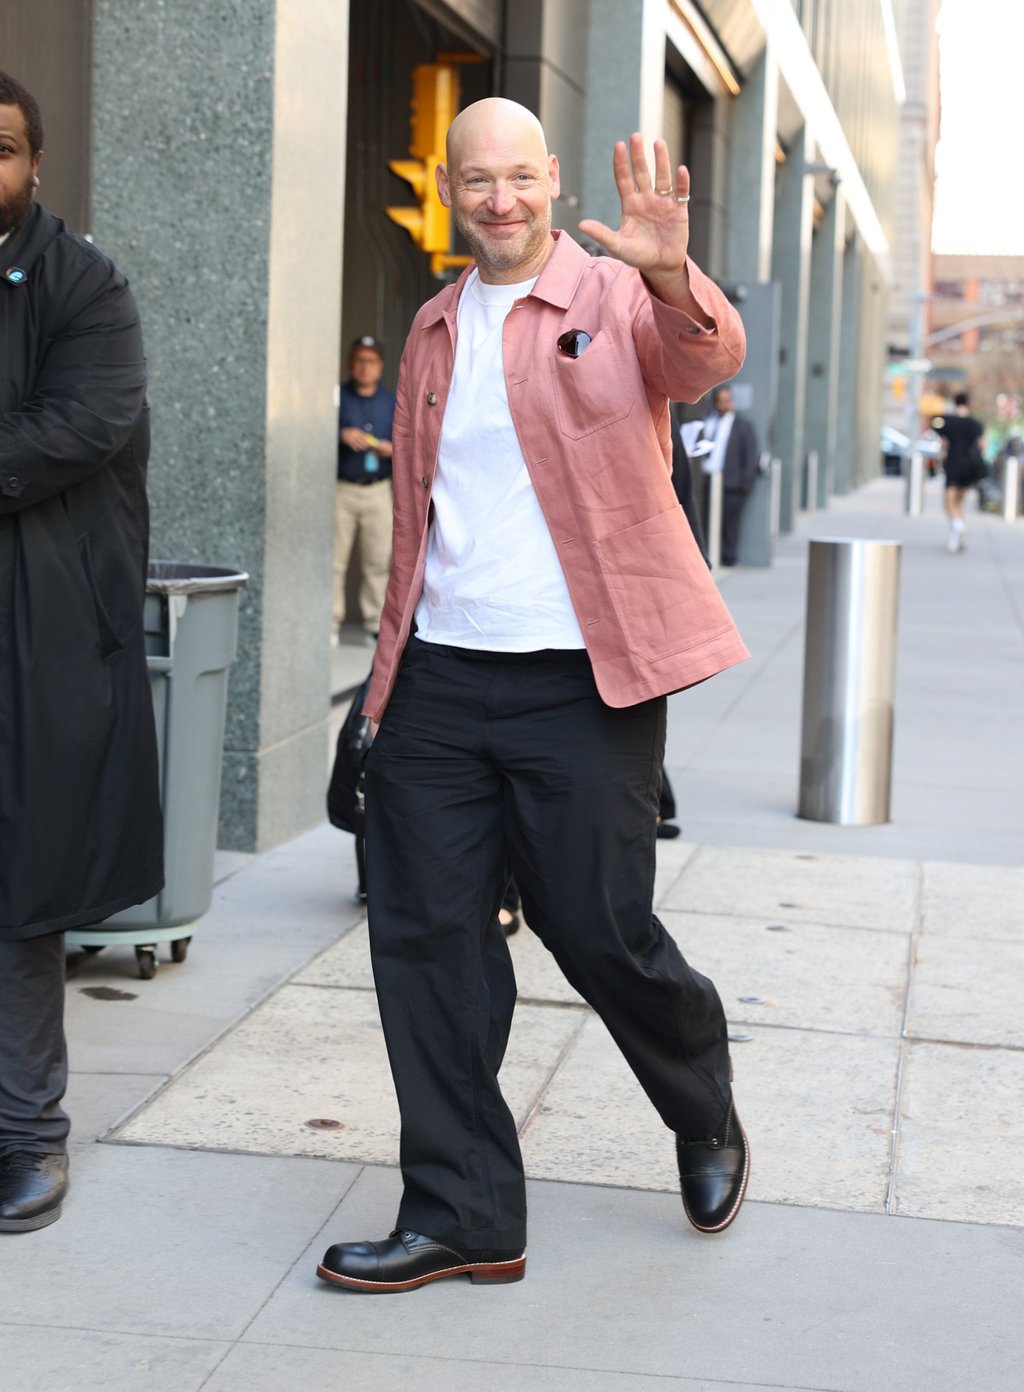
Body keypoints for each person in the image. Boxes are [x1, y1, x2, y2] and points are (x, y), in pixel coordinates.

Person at [317, 99, 750, 1294]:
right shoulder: (433, 326)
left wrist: (672, 275)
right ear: (447, 190)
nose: (499, 198)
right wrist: (385, 690)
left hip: (582, 682)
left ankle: (698, 1095)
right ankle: (464, 1212)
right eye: (476, 180)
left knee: (595, 926)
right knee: (428, 941)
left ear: (552, 179)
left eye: (520, 176)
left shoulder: (615, 295)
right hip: (444, 678)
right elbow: (420, 526)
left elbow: (703, 360)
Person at [0, 72, 162, 1232]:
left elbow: (76, 428)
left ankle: (28, 1135)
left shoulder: (83, 286)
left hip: (35, 639)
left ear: (35, 165)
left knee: (19, 892)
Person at [332, 335, 396, 642]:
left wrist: (391, 449)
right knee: (333, 561)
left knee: (378, 561)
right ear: (350, 363)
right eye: (359, 360)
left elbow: (410, 444)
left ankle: (374, 625)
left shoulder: (392, 401)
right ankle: (330, 624)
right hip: (342, 488)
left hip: (378, 489)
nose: (364, 367)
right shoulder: (336, 396)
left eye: (370, 361)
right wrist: (341, 433)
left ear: (380, 366)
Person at [700, 385, 759, 565]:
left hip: (731, 483)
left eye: (727, 400)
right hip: (706, 480)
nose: (724, 404)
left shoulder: (743, 426)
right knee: (705, 520)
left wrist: (747, 479)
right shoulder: (707, 422)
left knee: (729, 523)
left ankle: (728, 557)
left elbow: (750, 454)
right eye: (720, 401)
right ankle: (707, 556)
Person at [932, 391, 986, 553]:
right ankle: (954, 540)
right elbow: (983, 445)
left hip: (954, 463)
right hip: (970, 466)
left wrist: (941, 456)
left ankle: (959, 526)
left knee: (949, 502)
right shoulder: (976, 424)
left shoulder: (948, 422)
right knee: (960, 502)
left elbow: (943, 442)